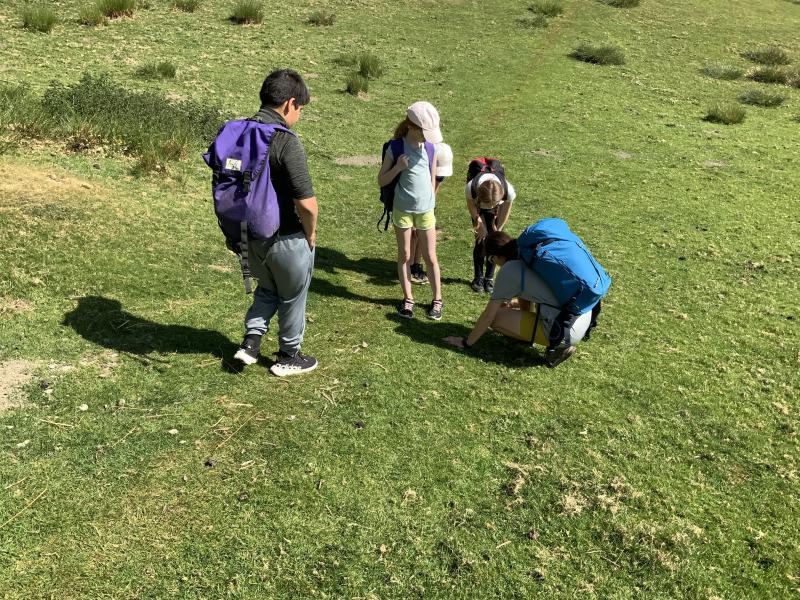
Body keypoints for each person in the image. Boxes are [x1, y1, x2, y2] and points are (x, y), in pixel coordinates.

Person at [232, 69, 319, 376]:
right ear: (289, 104)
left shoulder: (238, 132)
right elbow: (306, 204)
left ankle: (251, 342)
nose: (298, 116)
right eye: (300, 109)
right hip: (286, 236)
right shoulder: (285, 141)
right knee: (293, 296)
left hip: (248, 235)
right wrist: (311, 233)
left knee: (268, 288)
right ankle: (289, 356)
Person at [443, 231, 595, 368]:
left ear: (496, 257)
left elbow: (489, 315)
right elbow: (530, 294)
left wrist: (466, 342)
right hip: (584, 313)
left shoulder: (509, 270)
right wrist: (515, 304)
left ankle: (557, 348)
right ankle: (533, 338)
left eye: (490, 259)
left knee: (497, 317)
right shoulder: (531, 257)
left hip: (565, 331)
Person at [378, 101, 443, 320]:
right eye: (424, 132)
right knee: (404, 255)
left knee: (430, 256)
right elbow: (381, 180)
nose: (427, 137)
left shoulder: (431, 148)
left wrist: (431, 203)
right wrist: (398, 168)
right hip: (402, 209)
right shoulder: (395, 148)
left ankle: (437, 299)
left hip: (426, 211)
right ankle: (408, 299)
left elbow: (432, 179)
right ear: (412, 127)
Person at [466, 163, 517, 294]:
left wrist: (498, 229)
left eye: (492, 204)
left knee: (494, 243)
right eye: (488, 204)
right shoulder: (471, 187)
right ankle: (478, 277)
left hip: (497, 210)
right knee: (480, 240)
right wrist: (480, 224)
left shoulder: (509, 191)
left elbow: (505, 211)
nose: (490, 206)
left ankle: (489, 278)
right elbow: (471, 207)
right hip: (479, 208)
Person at [409, 141, 453, 285]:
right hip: (412, 202)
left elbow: (434, 188)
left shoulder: (438, 176)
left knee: (422, 231)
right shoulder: (418, 171)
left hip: (426, 202)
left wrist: (429, 207)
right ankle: (410, 266)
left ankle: (416, 264)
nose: (439, 178)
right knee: (413, 232)